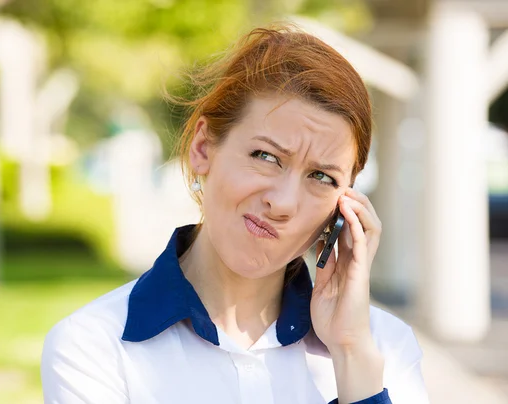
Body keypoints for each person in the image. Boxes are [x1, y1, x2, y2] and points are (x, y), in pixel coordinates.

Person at [41, 24, 429, 404]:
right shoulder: (94, 346)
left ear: (346, 206)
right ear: (203, 148)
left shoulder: (382, 348)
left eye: (321, 177)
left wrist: (350, 354)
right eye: (266, 157)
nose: (283, 203)